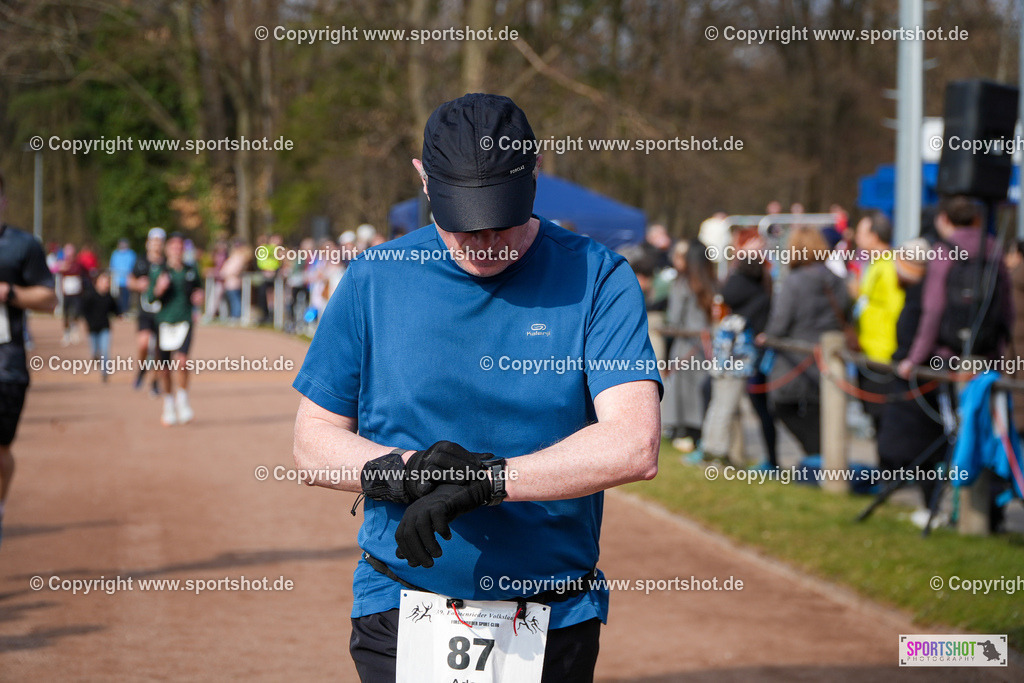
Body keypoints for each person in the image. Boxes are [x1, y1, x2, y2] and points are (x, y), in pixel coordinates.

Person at [292, 93, 661, 682]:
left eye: (503, 218)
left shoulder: (598, 277)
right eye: (463, 219)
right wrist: (408, 474)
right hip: (401, 601)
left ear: (536, 175)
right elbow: (313, 442)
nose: (486, 240)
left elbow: (633, 443)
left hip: (553, 613)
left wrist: (486, 483)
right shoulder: (373, 279)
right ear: (422, 179)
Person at [0, 170, 58, 549]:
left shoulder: (22, 246)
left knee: (0, 452)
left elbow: (49, 300)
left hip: (5, 365)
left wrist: (10, 294)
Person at [898, 196, 1013, 379]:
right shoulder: (993, 247)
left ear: (944, 218)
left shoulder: (944, 250)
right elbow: (1006, 302)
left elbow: (933, 309)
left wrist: (914, 358)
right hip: (989, 351)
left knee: (958, 406)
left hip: (950, 354)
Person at [877, 238, 948, 528]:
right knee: (914, 447)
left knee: (913, 446)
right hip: (912, 374)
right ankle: (926, 505)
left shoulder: (922, 294)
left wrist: (911, 359)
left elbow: (923, 331)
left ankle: (933, 508)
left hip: (917, 378)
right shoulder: (917, 291)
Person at [759, 226, 847, 457]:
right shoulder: (837, 280)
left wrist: (766, 337)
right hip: (828, 361)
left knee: (781, 406)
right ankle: (821, 459)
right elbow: (846, 312)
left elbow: (780, 323)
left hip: (794, 362)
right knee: (820, 412)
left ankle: (816, 457)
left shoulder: (794, 282)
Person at [702, 232, 775, 467]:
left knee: (719, 403)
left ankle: (711, 449)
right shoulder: (753, 288)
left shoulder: (736, 287)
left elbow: (726, 293)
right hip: (738, 356)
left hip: (725, 353)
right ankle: (717, 453)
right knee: (726, 404)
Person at [661, 239, 716, 452]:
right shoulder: (712, 282)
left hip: (686, 345)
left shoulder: (682, 283)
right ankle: (700, 437)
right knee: (701, 394)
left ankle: (683, 434)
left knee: (683, 394)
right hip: (707, 346)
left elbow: (674, 319)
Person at [852, 212, 904, 432]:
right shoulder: (875, 264)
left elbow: (896, 310)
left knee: (886, 425)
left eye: (861, 233)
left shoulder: (889, 267)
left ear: (874, 236)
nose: (856, 238)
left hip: (884, 357)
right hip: (870, 354)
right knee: (876, 422)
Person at [147, 233, 204, 426]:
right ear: (167, 249)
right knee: (164, 369)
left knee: (182, 362)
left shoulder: (191, 269)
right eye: (173, 246)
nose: (177, 250)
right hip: (164, 322)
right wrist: (159, 289)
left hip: (185, 320)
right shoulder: (158, 271)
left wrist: (199, 297)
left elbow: (198, 290)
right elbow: (149, 298)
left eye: (180, 247)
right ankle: (168, 404)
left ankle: (183, 401)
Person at [129, 228, 166, 394]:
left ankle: (155, 382)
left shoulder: (166, 263)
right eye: (154, 240)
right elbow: (129, 280)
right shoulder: (140, 261)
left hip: (162, 312)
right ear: (148, 243)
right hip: (145, 312)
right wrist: (138, 285)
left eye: (159, 241)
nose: (156, 244)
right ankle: (142, 370)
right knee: (143, 343)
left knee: (159, 350)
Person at [79, 271, 120, 382]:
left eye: (107, 282)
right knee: (94, 352)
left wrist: (119, 314)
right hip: (92, 329)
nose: (106, 284)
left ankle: (105, 372)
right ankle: (98, 360)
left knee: (105, 350)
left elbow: (115, 309)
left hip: (105, 328)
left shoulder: (109, 297)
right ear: (97, 282)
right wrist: (86, 321)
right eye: (103, 281)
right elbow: (83, 310)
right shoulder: (89, 295)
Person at [59, 243, 89, 346]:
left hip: (76, 293)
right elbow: (54, 270)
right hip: (66, 293)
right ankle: (66, 334)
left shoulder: (78, 265)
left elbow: (86, 275)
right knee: (66, 314)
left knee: (76, 313)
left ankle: (75, 331)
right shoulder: (63, 265)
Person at [108, 238, 137, 313]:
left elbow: (134, 266)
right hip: (117, 279)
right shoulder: (115, 254)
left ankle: (126, 310)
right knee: (117, 297)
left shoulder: (131, 253)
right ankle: (118, 311)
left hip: (127, 279)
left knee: (126, 296)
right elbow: (112, 266)